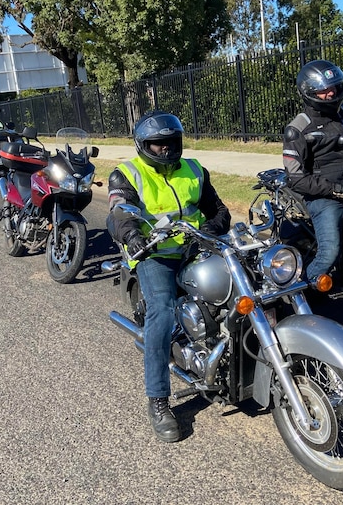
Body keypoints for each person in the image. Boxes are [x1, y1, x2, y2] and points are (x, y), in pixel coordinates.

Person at [107, 110, 231, 443]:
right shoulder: (126, 174)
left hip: (194, 248)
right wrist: (132, 236)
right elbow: (119, 212)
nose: (164, 149)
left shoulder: (193, 169)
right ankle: (158, 400)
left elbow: (219, 210)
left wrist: (211, 228)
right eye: (157, 144)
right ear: (143, 144)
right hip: (154, 254)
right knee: (161, 311)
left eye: (170, 142)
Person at [282, 59, 343, 283]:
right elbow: (295, 179)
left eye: (333, 88)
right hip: (325, 196)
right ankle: (304, 289)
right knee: (329, 251)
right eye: (324, 90)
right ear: (309, 92)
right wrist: (335, 190)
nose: (331, 94)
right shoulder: (298, 129)